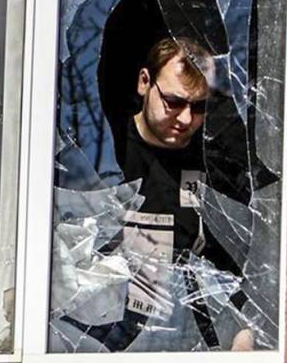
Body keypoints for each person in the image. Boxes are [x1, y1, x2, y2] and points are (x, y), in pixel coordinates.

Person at [71, 37, 254, 351]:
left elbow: (235, 263)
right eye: (173, 101)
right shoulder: (103, 152)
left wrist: (242, 332)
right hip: (100, 339)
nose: (185, 119)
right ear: (145, 82)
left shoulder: (215, 163)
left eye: (198, 107)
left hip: (190, 339)